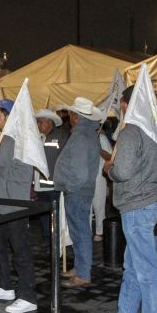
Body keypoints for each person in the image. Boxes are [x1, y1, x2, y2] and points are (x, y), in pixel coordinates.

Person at [98, 84, 157, 313]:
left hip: (136, 205)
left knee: (146, 270)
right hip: (148, 202)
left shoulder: (130, 132)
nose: (119, 107)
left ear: (127, 104)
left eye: (121, 103)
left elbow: (123, 171)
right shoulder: (152, 130)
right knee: (133, 265)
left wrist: (109, 169)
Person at [0, 99, 37, 313]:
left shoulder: (21, 143)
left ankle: (28, 296)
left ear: (10, 117)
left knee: (20, 253)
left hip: (15, 207)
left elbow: (23, 175)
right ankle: (4, 286)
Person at [53, 97, 103, 287]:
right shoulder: (87, 134)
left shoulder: (81, 136)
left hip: (77, 191)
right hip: (81, 190)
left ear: (76, 116)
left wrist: (70, 187)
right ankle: (81, 266)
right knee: (79, 230)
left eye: (71, 114)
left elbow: (80, 172)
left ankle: (83, 273)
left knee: (80, 231)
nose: (69, 117)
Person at [33, 109, 68, 246]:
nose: (39, 125)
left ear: (49, 122)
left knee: (56, 215)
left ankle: (57, 240)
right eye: (38, 122)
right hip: (39, 185)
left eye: (41, 122)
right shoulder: (38, 137)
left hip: (54, 185)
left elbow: (65, 159)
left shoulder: (61, 136)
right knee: (43, 215)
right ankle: (48, 239)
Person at [93, 119, 115, 243]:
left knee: (98, 204)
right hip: (86, 176)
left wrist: (98, 148)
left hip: (99, 176)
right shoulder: (83, 137)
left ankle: (99, 231)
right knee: (88, 205)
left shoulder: (101, 138)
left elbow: (110, 157)